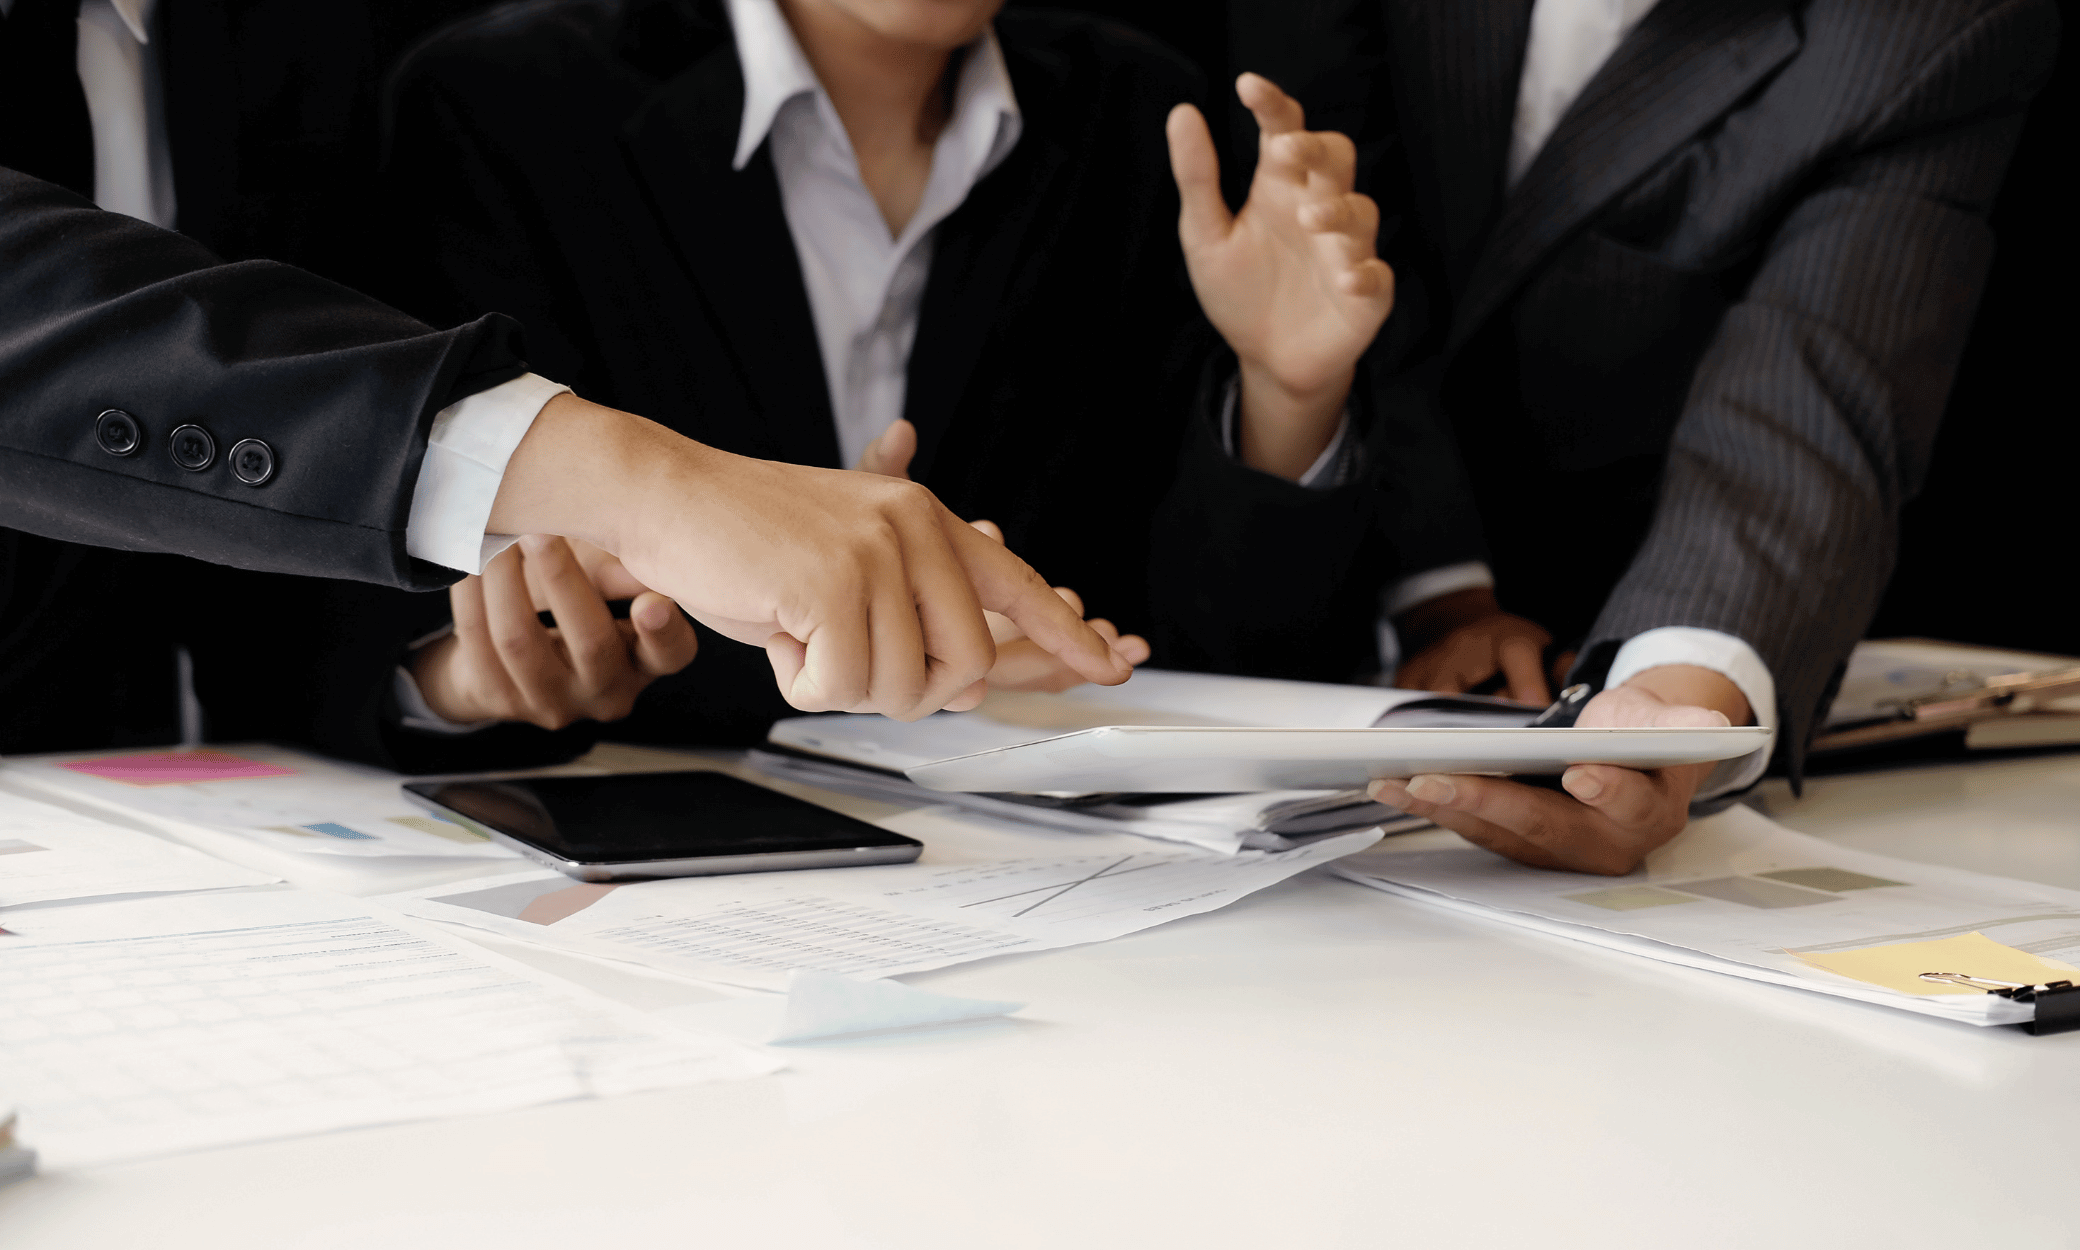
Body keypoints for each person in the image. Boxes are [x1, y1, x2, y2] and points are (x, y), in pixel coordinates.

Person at [1, 0, 1132, 748]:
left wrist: (467, 666)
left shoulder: (291, 41)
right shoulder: (505, 91)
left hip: (170, 848)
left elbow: (275, 559)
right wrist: (639, 484)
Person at [1169, 0, 2060, 872]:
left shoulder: (1929, 28)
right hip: (1251, 589)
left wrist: (1669, 695)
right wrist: (1442, 585)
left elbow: (1814, 379)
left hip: (1598, 622)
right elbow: (1340, 248)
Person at [375, 0, 1397, 743]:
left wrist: (1287, 389)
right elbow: (334, 624)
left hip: (1052, 887)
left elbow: (1232, 654)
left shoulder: (1140, 117)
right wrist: (458, 679)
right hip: (624, 858)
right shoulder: (505, 105)